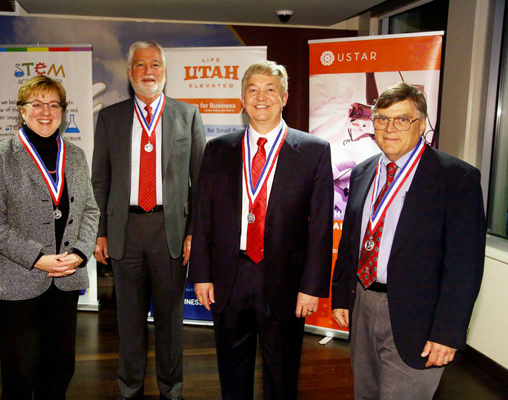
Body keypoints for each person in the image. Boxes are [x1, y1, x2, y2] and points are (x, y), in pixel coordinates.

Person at [189, 61, 334, 399]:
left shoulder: (314, 151)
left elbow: (322, 226)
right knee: (232, 373)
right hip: (229, 277)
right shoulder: (219, 149)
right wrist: (201, 274)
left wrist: (312, 287)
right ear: (242, 99)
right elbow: (203, 216)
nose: (261, 97)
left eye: (270, 89)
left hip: (285, 280)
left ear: (284, 97)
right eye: (253, 89)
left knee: (282, 377)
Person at [331, 82, 485, 400]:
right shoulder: (362, 172)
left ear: (422, 124)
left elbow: (464, 267)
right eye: (382, 119)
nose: (390, 128)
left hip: (418, 318)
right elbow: (350, 242)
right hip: (362, 304)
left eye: (402, 119)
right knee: (366, 394)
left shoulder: (456, 179)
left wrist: (448, 333)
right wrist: (341, 297)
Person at [91, 41, 205, 400]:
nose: (148, 71)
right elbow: (100, 180)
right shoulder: (111, 118)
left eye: (155, 64)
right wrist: (100, 233)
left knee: (171, 320)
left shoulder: (187, 115)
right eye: (140, 65)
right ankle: (130, 390)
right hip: (125, 229)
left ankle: (172, 391)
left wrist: (193, 234)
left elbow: (200, 182)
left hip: (169, 231)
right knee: (129, 320)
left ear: (165, 72)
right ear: (129, 73)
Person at [0, 75, 100, 399]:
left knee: (60, 368)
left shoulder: (75, 156)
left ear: (62, 111)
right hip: (17, 282)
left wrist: (80, 253)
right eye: (37, 104)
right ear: (22, 110)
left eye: (53, 104)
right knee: (20, 373)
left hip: (65, 280)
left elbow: (90, 211)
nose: (45, 111)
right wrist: (37, 258)